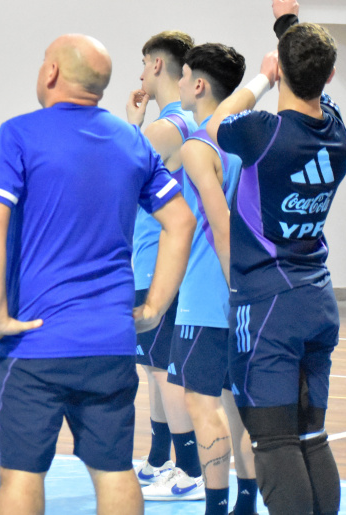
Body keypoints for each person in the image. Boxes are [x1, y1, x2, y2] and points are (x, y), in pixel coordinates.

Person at [0, 34, 195, 515]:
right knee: (113, 471)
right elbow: (181, 221)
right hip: (109, 342)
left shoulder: (19, 134)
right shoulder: (131, 139)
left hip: (35, 342)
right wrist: (154, 308)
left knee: (21, 474)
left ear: (51, 73)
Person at [207, 0, 346, 515]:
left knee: (273, 443)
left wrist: (262, 78)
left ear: (283, 73)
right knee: (310, 437)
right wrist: (288, 24)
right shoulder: (337, 133)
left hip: (268, 306)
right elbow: (309, 71)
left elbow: (216, 122)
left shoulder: (264, 133)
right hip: (316, 300)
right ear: (330, 79)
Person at [142, 43, 258, 514]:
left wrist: (232, 286)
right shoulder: (243, 140)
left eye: (186, 73)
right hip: (240, 294)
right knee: (233, 408)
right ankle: (245, 503)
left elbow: (221, 222)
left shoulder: (195, 147)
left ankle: (213, 504)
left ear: (198, 85)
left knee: (201, 406)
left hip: (208, 294)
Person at [125, 31, 203, 495]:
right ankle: (158, 459)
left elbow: (117, 173)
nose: (139, 75)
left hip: (158, 264)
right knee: (153, 366)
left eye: (142, 65)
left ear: (157, 65)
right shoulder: (179, 123)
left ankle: (190, 468)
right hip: (157, 261)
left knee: (161, 370)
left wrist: (132, 124)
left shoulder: (167, 128)